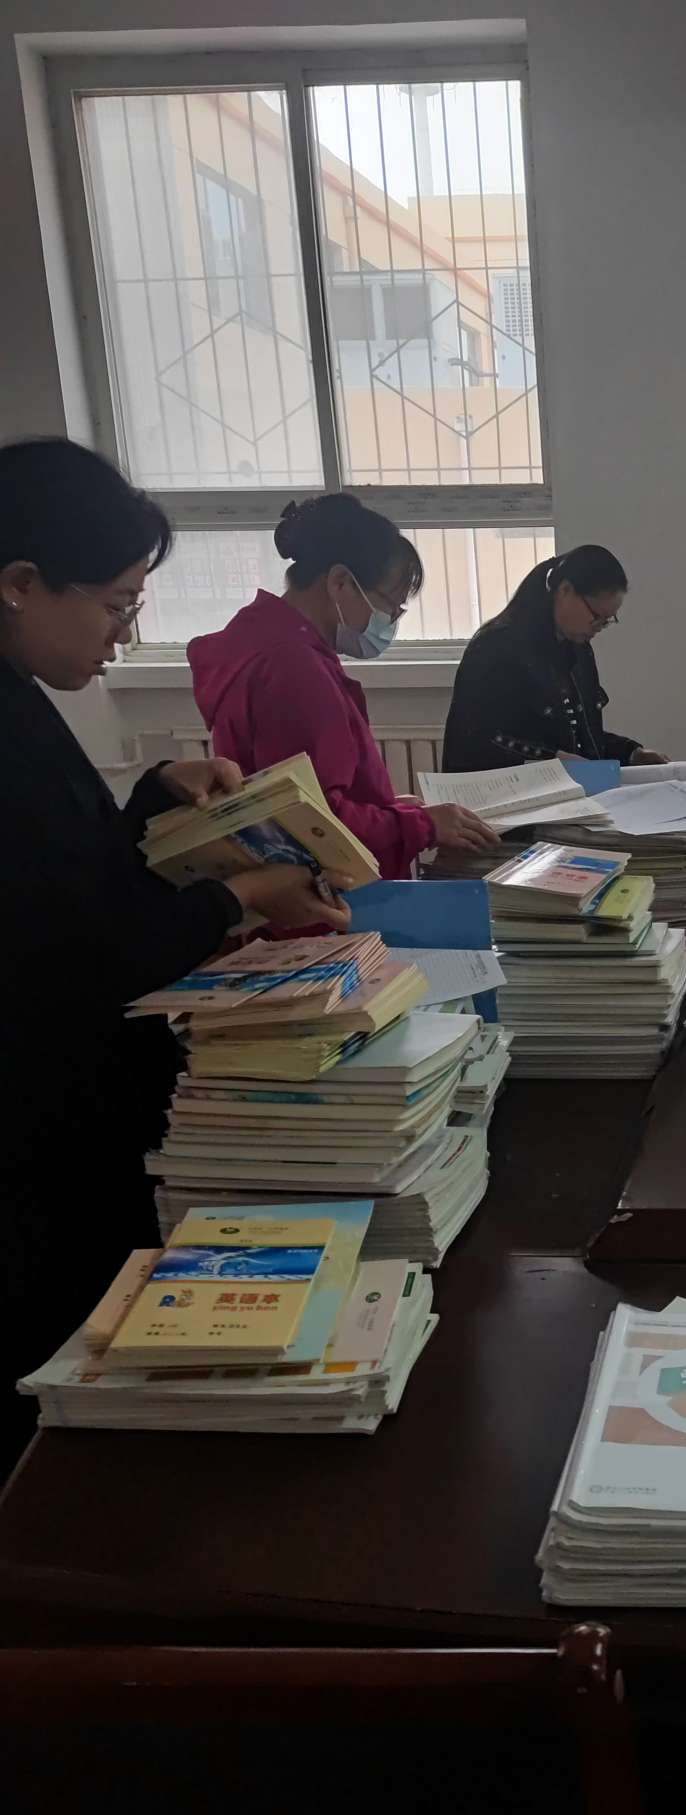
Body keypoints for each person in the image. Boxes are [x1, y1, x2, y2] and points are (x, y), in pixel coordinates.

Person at [0, 438, 348, 1428]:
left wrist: (155, 798)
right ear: (21, 583)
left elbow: (63, 871)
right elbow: (82, 950)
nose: (125, 634)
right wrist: (239, 897)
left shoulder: (22, 692)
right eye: (116, 605)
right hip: (38, 1135)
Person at [190, 494, 500, 875]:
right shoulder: (294, 668)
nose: (391, 620)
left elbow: (305, 795)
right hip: (323, 890)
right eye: (391, 605)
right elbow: (315, 823)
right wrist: (423, 825)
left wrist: (394, 811)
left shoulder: (260, 636)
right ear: (340, 583)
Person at [442, 544, 667, 771]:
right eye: (596, 617)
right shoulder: (495, 647)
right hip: (504, 787)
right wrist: (550, 758)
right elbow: (476, 740)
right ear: (565, 590)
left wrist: (631, 753)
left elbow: (582, 739)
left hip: (568, 785)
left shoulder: (577, 649)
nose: (598, 627)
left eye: (607, 621)